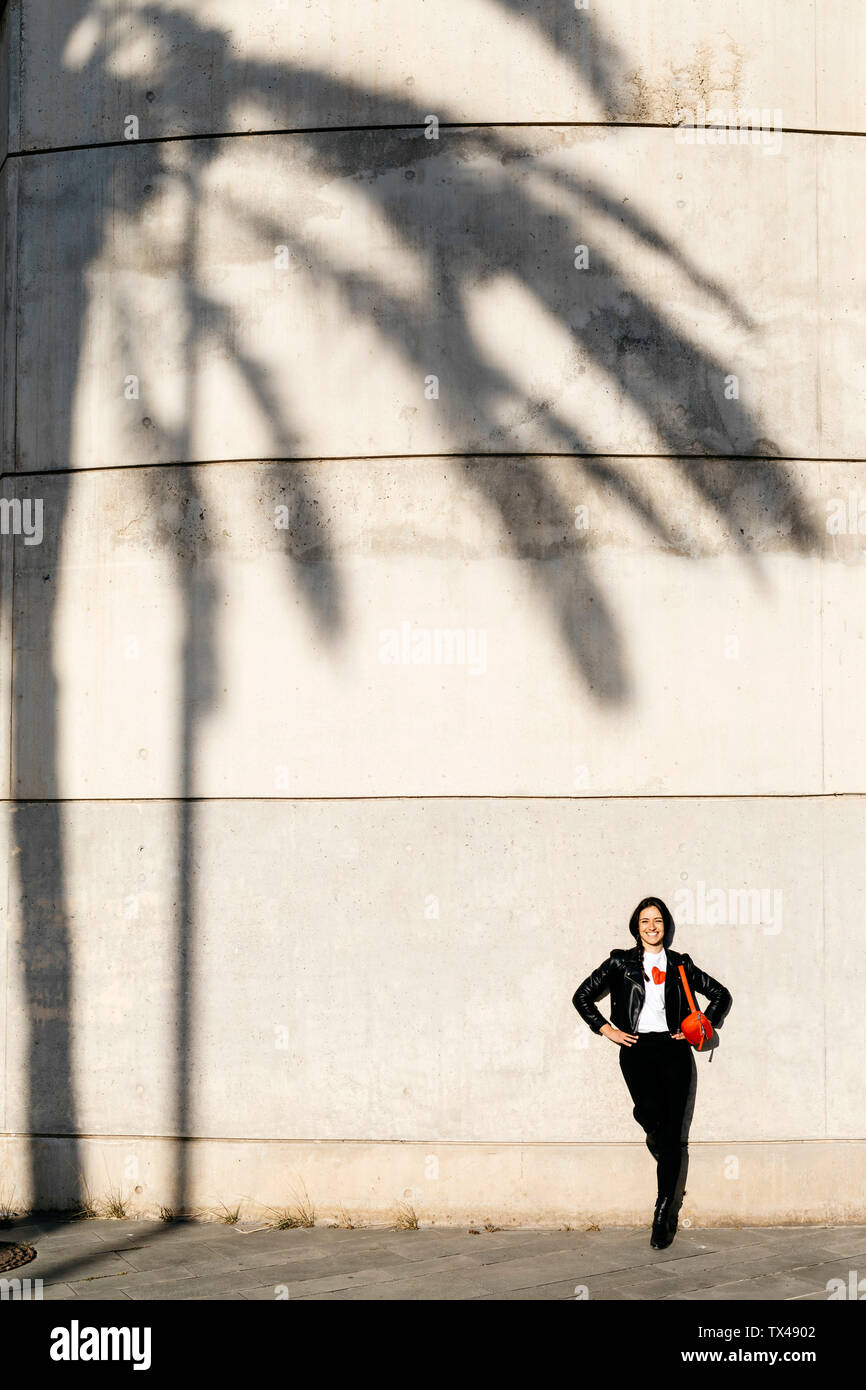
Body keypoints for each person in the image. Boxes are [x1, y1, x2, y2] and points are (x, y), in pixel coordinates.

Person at [572, 896, 731, 1249]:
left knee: (673, 1133)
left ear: (666, 925)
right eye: (645, 921)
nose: (652, 926)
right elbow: (582, 996)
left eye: (657, 920)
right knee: (649, 1114)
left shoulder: (680, 964)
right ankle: (654, 1136)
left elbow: (720, 994)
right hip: (636, 1049)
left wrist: (699, 1026)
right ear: (636, 926)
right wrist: (607, 1029)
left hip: (674, 1051)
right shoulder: (620, 962)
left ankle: (663, 1212)